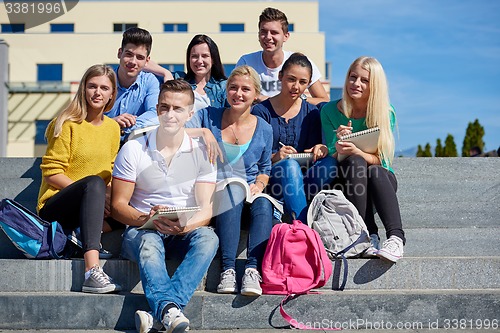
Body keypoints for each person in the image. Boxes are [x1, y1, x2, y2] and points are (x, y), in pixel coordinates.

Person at [111, 79, 218, 333]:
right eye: (164, 107)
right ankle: (170, 310)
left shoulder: (202, 152)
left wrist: (183, 227)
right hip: (141, 229)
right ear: (157, 108)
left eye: (178, 109)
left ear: (190, 114)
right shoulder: (134, 148)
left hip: (183, 228)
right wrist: (145, 218)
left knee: (208, 239)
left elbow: (206, 209)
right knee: (149, 241)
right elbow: (117, 206)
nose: (170, 114)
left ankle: (162, 311)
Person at [186, 65, 274, 296]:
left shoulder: (264, 128)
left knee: (264, 204)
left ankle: (253, 270)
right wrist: (204, 132)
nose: (238, 93)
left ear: (255, 94)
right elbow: (174, 131)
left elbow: (265, 168)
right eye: (233, 88)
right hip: (215, 194)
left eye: (246, 89)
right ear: (226, 91)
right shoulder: (208, 115)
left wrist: (260, 185)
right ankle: (228, 269)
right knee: (232, 189)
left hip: (248, 195)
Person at [37, 64, 122, 293]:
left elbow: (111, 170)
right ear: (83, 89)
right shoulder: (66, 123)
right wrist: (92, 192)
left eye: (104, 88)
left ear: (112, 94)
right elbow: (52, 173)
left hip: (90, 203)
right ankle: (91, 271)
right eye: (92, 86)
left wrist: (107, 197)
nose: (98, 92)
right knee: (94, 182)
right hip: (56, 207)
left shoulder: (113, 128)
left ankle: (80, 235)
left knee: (128, 201)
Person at [320, 56, 406, 263]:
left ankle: (395, 238)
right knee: (354, 162)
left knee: (372, 169)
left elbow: (383, 161)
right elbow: (330, 156)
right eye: (352, 77)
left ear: (374, 85)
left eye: (364, 80)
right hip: (346, 180)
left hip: (379, 181)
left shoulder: (385, 112)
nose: (356, 84)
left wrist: (358, 151)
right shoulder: (329, 110)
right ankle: (366, 235)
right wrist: (338, 145)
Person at [252, 52, 337, 223]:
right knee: (289, 166)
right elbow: (253, 158)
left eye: (303, 82)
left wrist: (320, 149)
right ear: (280, 76)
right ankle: (302, 226)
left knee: (330, 164)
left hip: (304, 179)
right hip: (273, 177)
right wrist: (276, 156)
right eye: (291, 79)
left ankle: (295, 203)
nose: (296, 86)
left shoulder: (312, 113)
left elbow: (315, 151)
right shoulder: (261, 112)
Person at [236, 7, 328, 105]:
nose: (268, 37)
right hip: (257, 117)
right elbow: (235, 94)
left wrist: (297, 99)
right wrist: (257, 97)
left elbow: (324, 100)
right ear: (258, 35)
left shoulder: (299, 62)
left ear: (286, 36)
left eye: (274, 32)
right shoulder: (246, 62)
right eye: (263, 32)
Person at [105, 27, 166, 142]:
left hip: (134, 144)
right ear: (119, 53)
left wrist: (123, 128)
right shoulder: (104, 79)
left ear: (147, 61)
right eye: (129, 54)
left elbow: (155, 114)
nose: (133, 62)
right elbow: (86, 116)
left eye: (140, 57)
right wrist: (112, 123)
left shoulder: (150, 81)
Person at [147, 34, 228, 111]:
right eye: (194, 56)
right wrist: (166, 73)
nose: (199, 61)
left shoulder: (223, 87)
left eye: (204, 56)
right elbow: (143, 62)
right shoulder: (178, 79)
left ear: (213, 59)